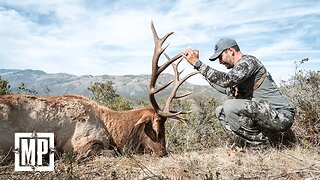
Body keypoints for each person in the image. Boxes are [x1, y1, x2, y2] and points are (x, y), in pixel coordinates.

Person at [182, 38, 295, 146]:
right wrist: (198, 68)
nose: (220, 62)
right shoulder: (239, 72)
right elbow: (224, 87)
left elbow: (227, 80)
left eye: (221, 57)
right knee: (220, 111)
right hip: (267, 114)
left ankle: (260, 147)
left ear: (230, 51)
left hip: (281, 116)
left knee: (230, 106)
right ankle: (263, 141)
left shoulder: (248, 62)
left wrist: (198, 63)